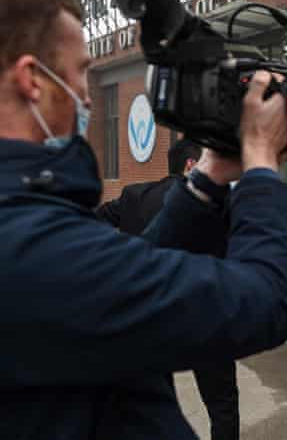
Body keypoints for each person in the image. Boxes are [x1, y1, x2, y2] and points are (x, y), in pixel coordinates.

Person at [0, 0, 287, 439]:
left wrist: (206, 179)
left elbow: (127, 269)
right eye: (79, 72)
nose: (85, 95)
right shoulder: (30, 246)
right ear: (32, 81)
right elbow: (262, 302)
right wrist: (263, 165)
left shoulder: (36, 224)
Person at [97, 137, 240, 440]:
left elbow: (91, 221)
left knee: (143, 407)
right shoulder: (219, 202)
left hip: (146, 317)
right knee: (222, 404)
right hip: (205, 317)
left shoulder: (134, 195)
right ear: (192, 165)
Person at [95, 138, 202, 234]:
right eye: (204, 163)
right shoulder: (198, 202)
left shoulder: (132, 194)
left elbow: (94, 218)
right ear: (190, 165)